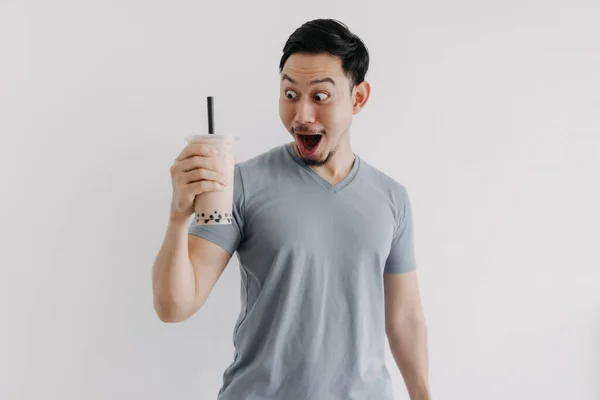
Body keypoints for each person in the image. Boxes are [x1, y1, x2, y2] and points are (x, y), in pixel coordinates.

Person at [152, 18, 430, 400]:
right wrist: (177, 216)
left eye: (320, 97)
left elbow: (404, 318)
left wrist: (423, 393)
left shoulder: (392, 198)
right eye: (289, 94)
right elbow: (175, 305)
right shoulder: (240, 185)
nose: (301, 115)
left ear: (358, 98)